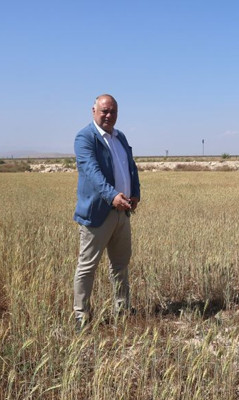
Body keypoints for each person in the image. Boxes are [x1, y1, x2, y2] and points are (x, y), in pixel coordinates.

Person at [72, 94, 141, 330]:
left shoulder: (119, 137)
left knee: (120, 265)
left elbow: (130, 167)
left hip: (123, 212)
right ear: (93, 111)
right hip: (98, 214)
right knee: (87, 266)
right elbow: (92, 172)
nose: (109, 115)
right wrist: (113, 196)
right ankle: (81, 315)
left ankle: (122, 308)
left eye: (113, 111)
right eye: (104, 111)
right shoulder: (85, 138)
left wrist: (136, 192)